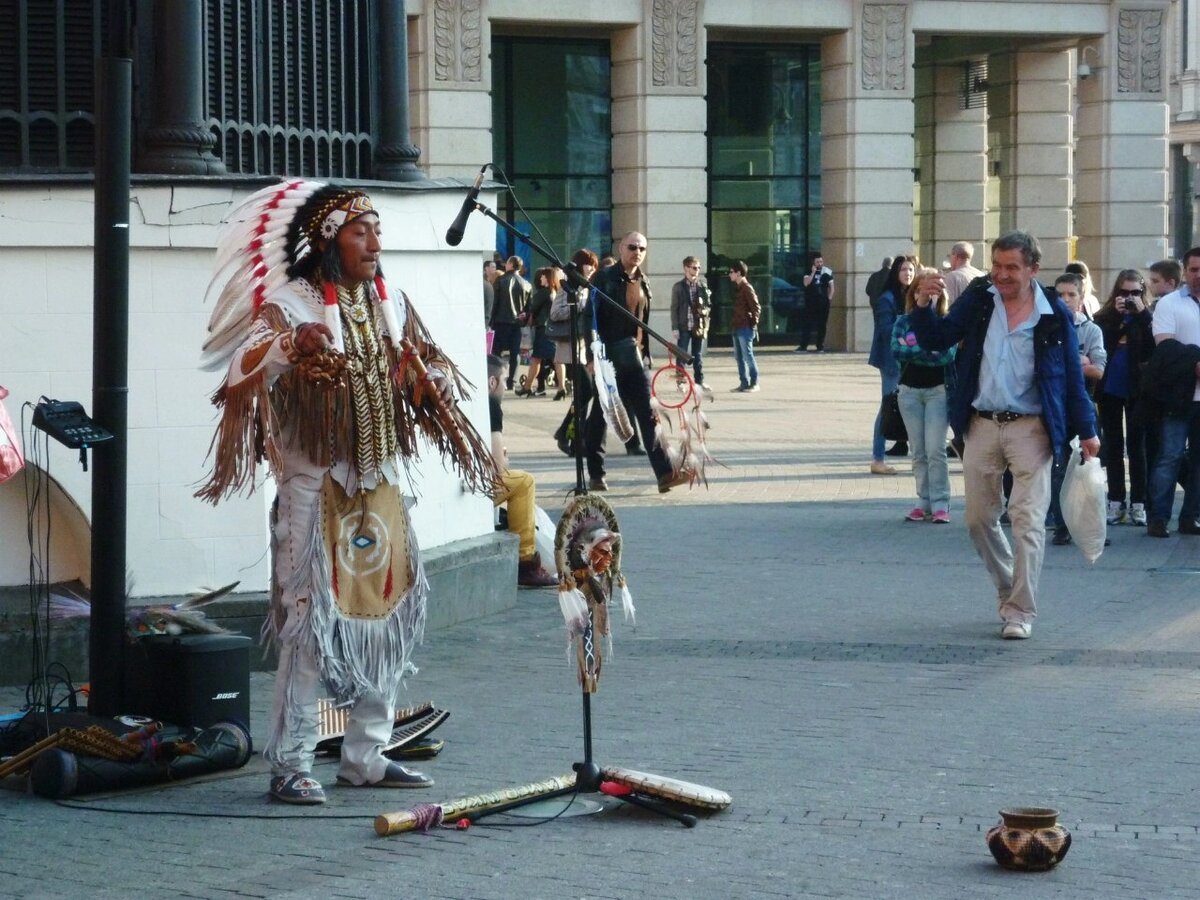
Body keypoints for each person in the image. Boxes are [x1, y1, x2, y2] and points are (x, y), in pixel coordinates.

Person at [197, 182, 498, 803]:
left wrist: (427, 381)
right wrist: (291, 346)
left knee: (385, 619)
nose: (374, 243)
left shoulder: (390, 300)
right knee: (309, 623)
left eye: (378, 231)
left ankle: (366, 755)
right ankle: (292, 762)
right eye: (361, 232)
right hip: (316, 486)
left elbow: (427, 365)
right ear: (328, 241)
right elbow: (240, 370)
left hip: (380, 483)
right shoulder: (293, 304)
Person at [911, 231, 1099, 641]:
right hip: (980, 423)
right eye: (997, 266)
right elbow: (936, 339)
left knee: (1028, 520)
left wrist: (1088, 429)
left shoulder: (1054, 313)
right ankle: (1009, 587)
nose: (1002, 275)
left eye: (1012, 267)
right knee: (979, 519)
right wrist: (923, 305)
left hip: (1032, 428)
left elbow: (1071, 377)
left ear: (1033, 268)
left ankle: (1020, 610)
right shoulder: (980, 299)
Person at [590, 231, 689, 493]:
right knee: (601, 416)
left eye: (642, 248)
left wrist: (645, 354)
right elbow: (589, 318)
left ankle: (665, 473)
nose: (637, 252)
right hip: (608, 359)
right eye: (632, 247)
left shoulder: (643, 281)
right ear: (621, 248)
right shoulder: (604, 278)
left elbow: (641, 324)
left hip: (634, 360)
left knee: (648, 414)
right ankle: (595, 474)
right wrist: (591, 357)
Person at [487, 354, 558, 587]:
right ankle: (526, 562)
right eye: (505, 380)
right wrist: (504, 460)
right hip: (474, 488)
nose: (507, 386)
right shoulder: (491, 405)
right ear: (492, 382)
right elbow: (498, 468)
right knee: (523, 482)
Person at [892, 267, 956, 522]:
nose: (927, 295)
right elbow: (897, 351)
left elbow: (946, 355)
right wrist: (926, 349)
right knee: (918, 450)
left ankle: (941, 503)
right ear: (914, 293)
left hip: (937, 392)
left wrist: (918, 349)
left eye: (933, 291)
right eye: (922, 289)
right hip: (909, 392)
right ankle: (923, 501)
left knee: (936, 449)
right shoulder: (903, 322)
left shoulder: (946, 322)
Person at [1047, 273, 1107, 545]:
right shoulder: (1046, 327)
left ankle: (1093, 527)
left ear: (1081, 300)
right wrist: (1076, 361)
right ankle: (1062, 525)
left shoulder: (1091, 330)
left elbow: (1098, 370)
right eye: (1060, 295)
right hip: (1055, 407)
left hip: (1084, 404)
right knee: (1058, 468)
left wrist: (1077, 363)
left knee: (1090, 467)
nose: (1066, 300)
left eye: (1072, 295)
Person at [1092, 269, 1156, 528]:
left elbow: (1154, 346)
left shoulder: (1148, 316)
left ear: (1143, 293)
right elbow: (1100, 345)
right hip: (1110, 386)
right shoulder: (1105, 317)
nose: (1129, 297)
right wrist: (1117, 318)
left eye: (1135, 293)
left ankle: (1139, 503)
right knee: (1114, 445)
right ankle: (1116, 500)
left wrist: (1141, 313)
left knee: (1137, 447)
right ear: (1115, 293)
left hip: (1138, 388)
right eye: (1124, 292)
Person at [1145, 247, 1200, 537]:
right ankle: (1158, 517)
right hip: (1178, 395)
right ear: (1184, 272)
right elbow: (1164, 347)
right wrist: (1195, 362)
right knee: (1170, 455)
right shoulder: (1170, 304)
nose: (1198, 276)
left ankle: (1191, 517)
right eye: (1193, 270)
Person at [869, 255, 916, 474]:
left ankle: (919, 458)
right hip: (890, 360)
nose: (908, 273)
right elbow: (885, 329)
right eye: (904, 270)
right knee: (888, 407)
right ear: (896, 273)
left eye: (911, 270)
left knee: (912, 407)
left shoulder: (913, 296)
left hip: (909, 359)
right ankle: (878, 459)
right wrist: (909, 332)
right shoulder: (887, 298)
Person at [515, 267, 561, 398]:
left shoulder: (543, 293)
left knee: (537, 359)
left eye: (543, 276)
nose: (541, 278)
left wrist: (526, 314)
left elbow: (533, 307)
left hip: (543, 329)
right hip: (552, 329)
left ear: (548, 278)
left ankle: (527, 387)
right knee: (556, 359)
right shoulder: (555, 292)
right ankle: (561, 388)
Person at [670, 255, 711, 388]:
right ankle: (680, 381)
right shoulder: (678, 287)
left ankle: (699, 381)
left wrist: (704, 311)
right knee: (681, 354)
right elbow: (674, 308)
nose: (697, 270)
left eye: (698, 267)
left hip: (698, 326)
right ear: (686, 268)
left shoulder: (702, 286)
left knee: (697, 356)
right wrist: (675, 327)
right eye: (694, 267)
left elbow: (708, 305)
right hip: (684, 325)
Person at [491, 255, 531, 390]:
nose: (505, 265)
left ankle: (496, 378)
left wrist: (491, 321)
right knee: (515, 353)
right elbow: (528, 308)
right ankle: (512, 381)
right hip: (517, 323)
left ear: (511, 265)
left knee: (496, 352)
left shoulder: (500, 281)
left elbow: (495, 302)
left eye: (507, 263)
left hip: (500, 321)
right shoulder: (526, 284)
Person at [728, 260, 762, 392]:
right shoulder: (738, 288)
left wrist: (753, 323)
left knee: (747, 356)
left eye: (731, 272)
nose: (729, 275)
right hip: (737, 326)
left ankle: (754, 383)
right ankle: (743, 383)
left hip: (745, 327)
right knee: (739, 357)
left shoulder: (747, 287)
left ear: (738, 273)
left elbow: (756, 307)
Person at [797, 252, 834, 352]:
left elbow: (831, 287)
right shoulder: (808, 271)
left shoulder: (827, 272)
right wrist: (813, 273)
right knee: (807, 324)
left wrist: (829, 298)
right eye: (817, 262)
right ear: (813, 263)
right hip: (810, 302)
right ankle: (803, 346)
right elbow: (806, 283)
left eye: (821, 261)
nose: (820, 264)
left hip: (823, 302)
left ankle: (820, 346)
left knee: (822, 325)